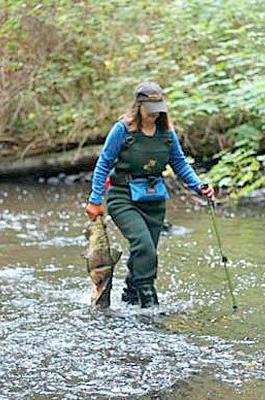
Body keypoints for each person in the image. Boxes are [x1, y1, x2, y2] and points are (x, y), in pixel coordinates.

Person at [85, 82, 215, 308]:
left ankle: (131, 295)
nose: (155, 114)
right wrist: (95, 200)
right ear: (139, 105)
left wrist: (199, 185)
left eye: (159, 109)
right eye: (151, 109)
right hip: (123, 197)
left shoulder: (166, 134)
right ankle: (148, 298)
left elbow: (179, 163)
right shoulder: (123, 130)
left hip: (154, 200)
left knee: (146, 252)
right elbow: (104, 163)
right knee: (144, 246)